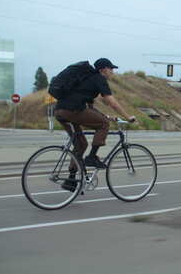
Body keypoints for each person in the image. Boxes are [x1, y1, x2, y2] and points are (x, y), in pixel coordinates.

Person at [54, 58, 135, 191]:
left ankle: (71, 179)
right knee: (103, 125)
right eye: (111, 69)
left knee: (81, 144)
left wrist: (106, 116)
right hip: (72, 110)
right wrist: (128, 117)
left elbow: (89, 108)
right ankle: (92, 157)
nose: (112, 72)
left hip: (60, 111)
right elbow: (112, 102)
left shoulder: (87, 79)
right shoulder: (99, 78)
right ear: (103, 69)